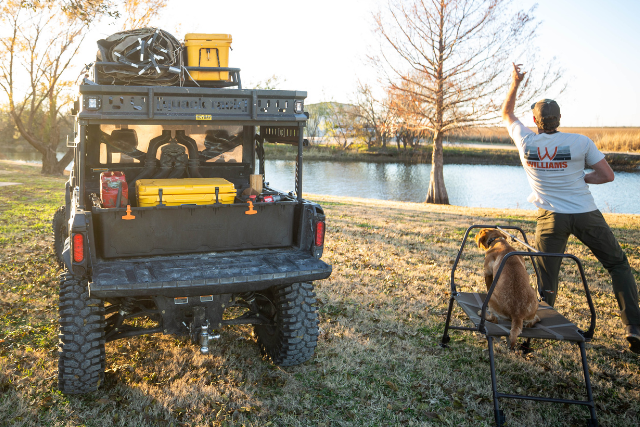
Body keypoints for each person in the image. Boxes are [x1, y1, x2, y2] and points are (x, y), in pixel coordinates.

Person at [501, 63, 640, 354]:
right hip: (585, 214)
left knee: (547, 279)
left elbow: (507, 114)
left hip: (551, 218)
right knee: (617, 264)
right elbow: (607, 175)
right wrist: (580, 178)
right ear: (559, 119)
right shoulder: (580, 142)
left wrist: (515, 82)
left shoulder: (526, 141)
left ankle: (532, 334)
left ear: (535, 120)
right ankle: (634, 327)